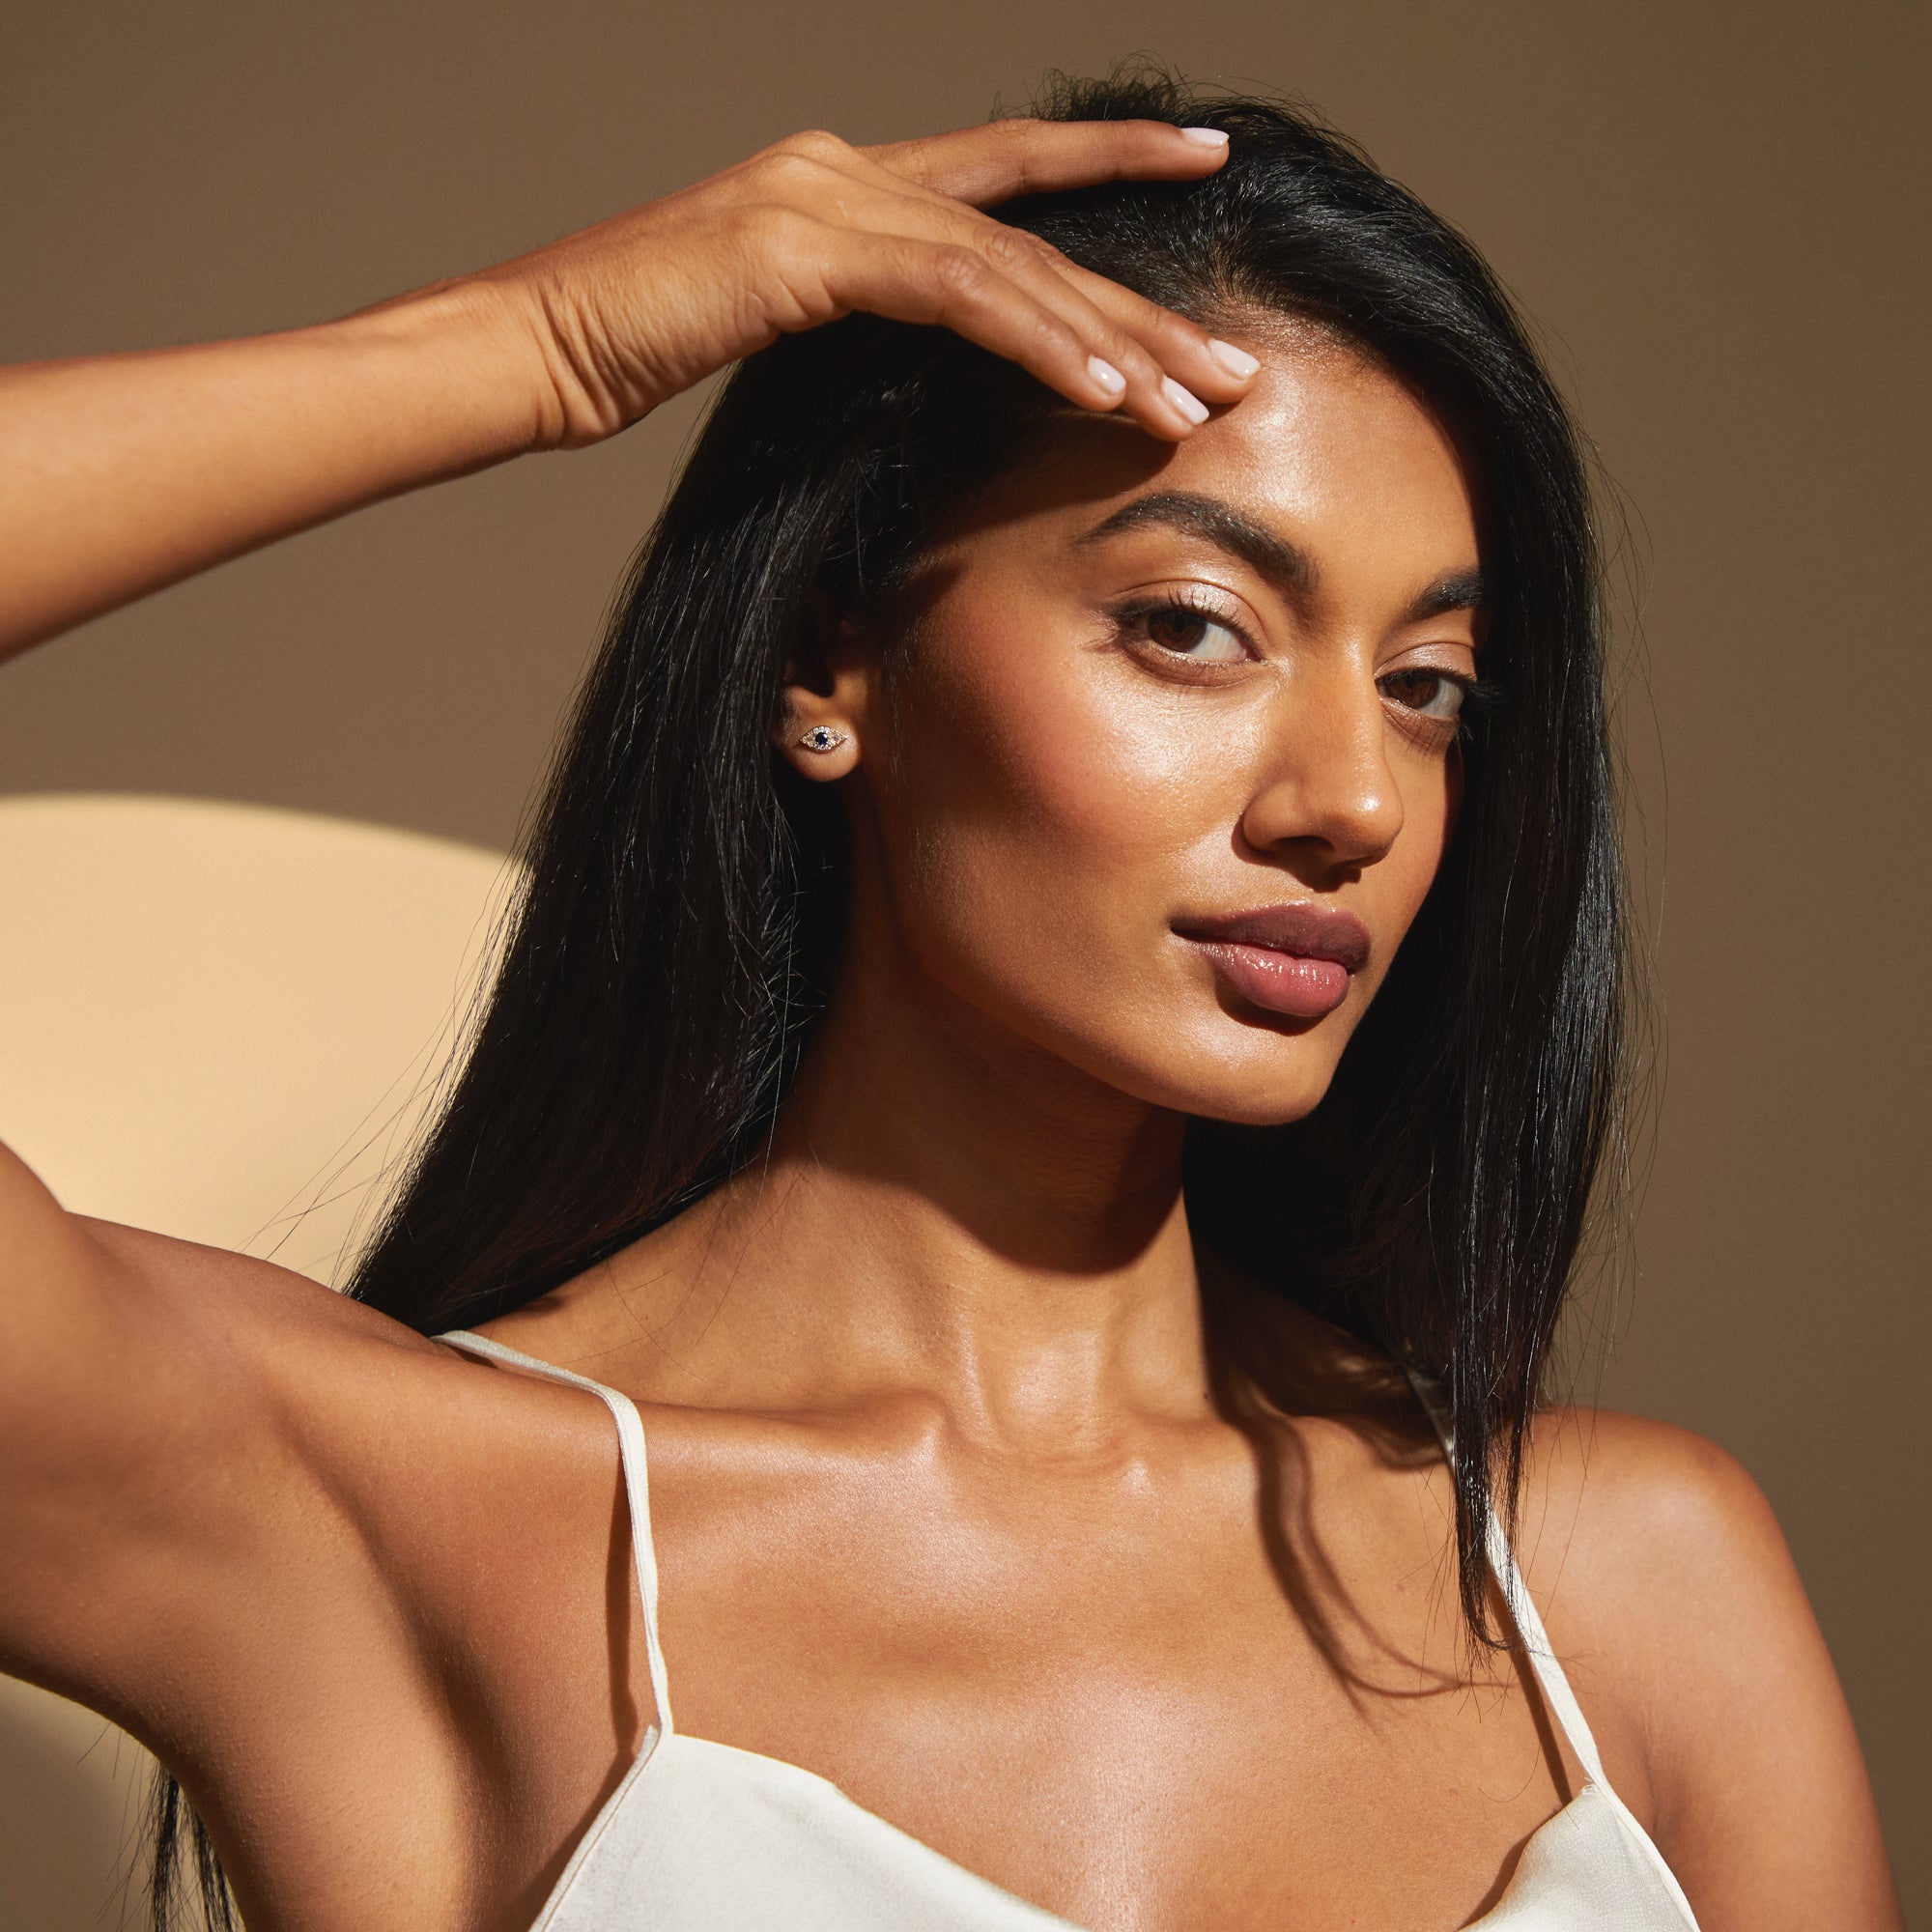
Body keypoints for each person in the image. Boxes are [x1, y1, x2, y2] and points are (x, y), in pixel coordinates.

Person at [0, 69, 1900, 1932]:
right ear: (835, 659)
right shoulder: (380, 1517)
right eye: (1192, 629)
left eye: (1429, 684)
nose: (1357, 798)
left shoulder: (1618, 1584)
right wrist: (548, 344)